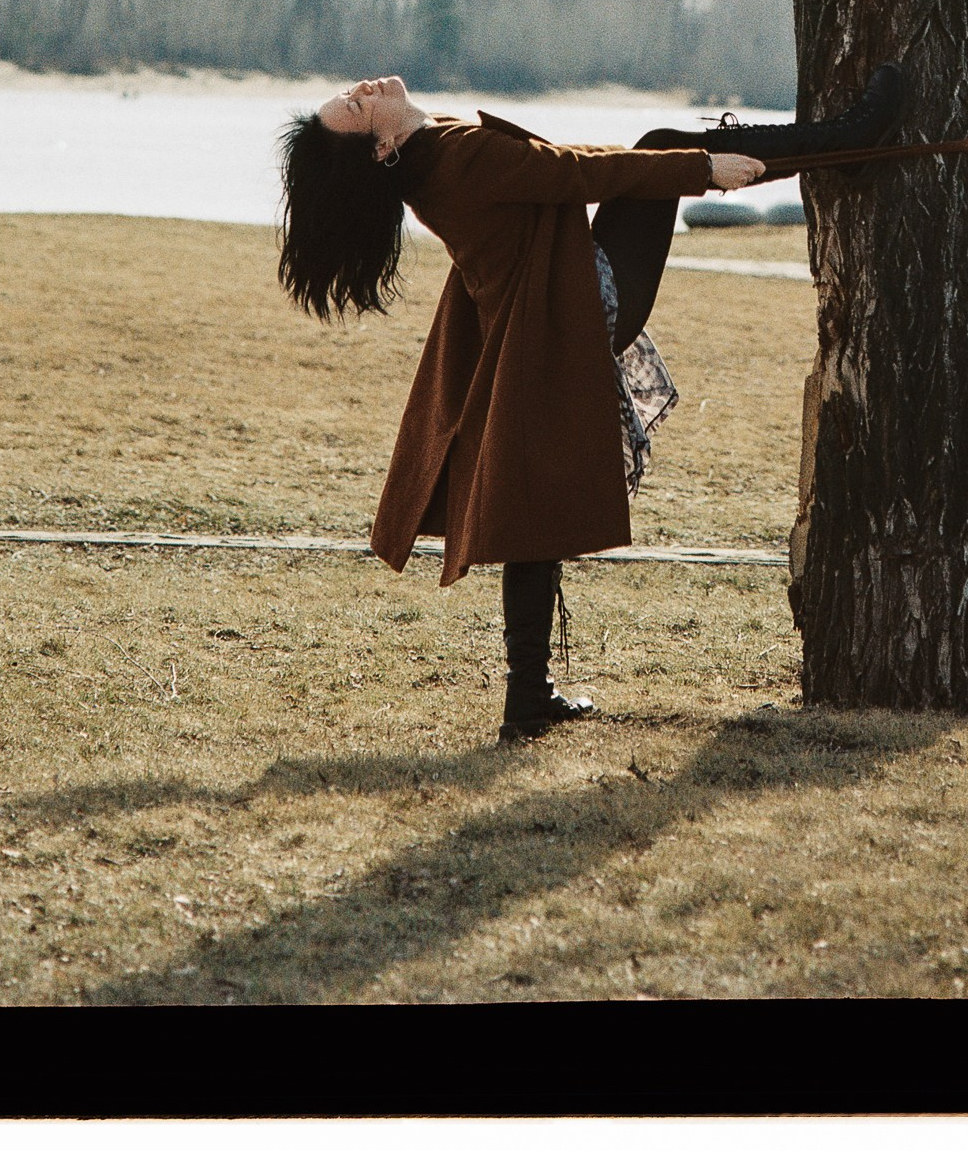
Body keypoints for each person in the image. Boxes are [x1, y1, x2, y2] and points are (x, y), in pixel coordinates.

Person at [275, 62, 905, 740]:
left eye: (349, 94)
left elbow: (565, 165)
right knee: (665, 143)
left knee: (529, 524)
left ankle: (527, 701)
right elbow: (576, 174)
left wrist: (698, 165)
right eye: (354, 106)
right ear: (380, 148)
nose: (362, 90)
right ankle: (851, 141)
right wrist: (701, 170)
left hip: (549, 307)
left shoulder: (435, 156)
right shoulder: (453, 157)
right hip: (577, 301)